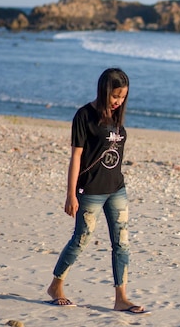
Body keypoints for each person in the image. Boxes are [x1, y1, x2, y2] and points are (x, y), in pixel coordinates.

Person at [47, 67, 148, 313]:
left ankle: (121, 297)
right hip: (90, 190)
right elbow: (76, 157)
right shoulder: (84, 116)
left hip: (116, 189)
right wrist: (70, 195)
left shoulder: (116, 117)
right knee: (81, 240)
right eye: (115, 96)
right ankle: (56, 286)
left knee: (122, 243)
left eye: (122, 97)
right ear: (104, 91)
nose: (118, 101)